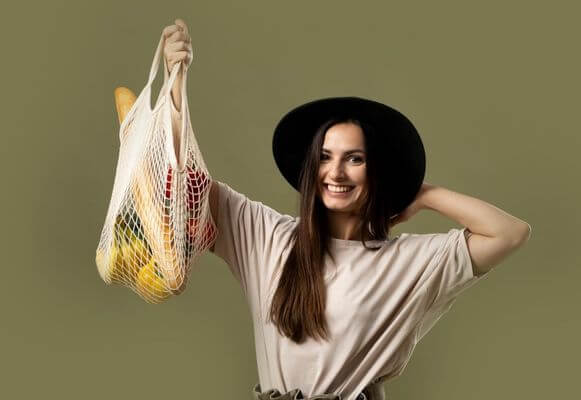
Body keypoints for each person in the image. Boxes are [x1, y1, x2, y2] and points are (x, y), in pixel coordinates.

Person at [162, 19, 532, 400]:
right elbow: (180, 183)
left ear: (376, 171)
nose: (336, 172)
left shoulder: (409, 263)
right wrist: (176, 83)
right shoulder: (265, 235)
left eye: (354, 159)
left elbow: (510, 232)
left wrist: (422, 194)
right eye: (325, 157)